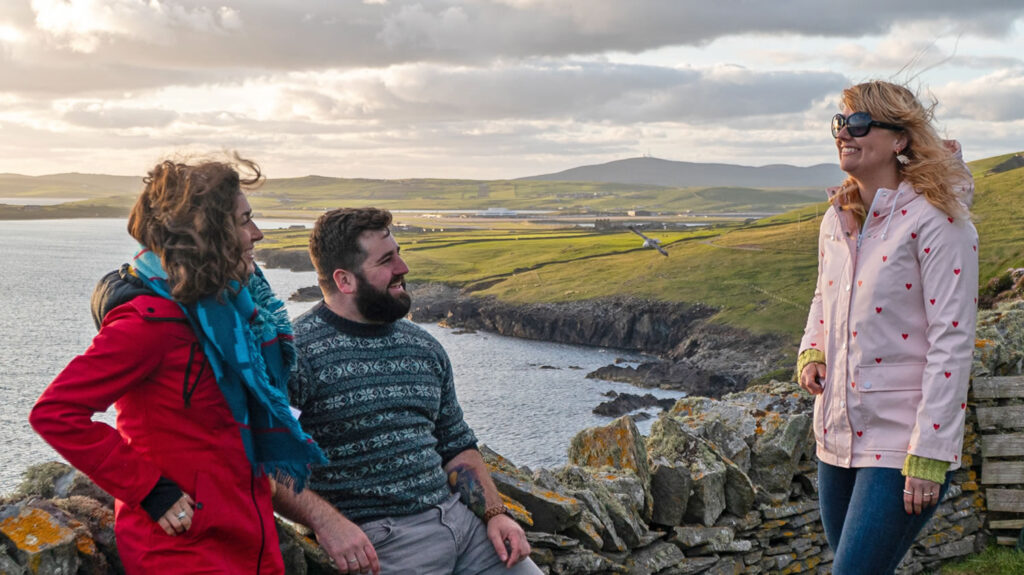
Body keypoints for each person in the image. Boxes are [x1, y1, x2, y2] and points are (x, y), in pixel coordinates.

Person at [30, 155, 326, 574]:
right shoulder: (147, 323)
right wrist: (150, 489)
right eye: (244, 221)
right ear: (205, 234)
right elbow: (55, 413)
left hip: (250, 544)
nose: (256, 234)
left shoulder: (228, 313)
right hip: (183, 553)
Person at [272, 207, 542, 575]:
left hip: (464, 528)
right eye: (387, 260)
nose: (403, 268)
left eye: (398, 253)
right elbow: (270, 464)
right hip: (381, 544)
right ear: (345, 280)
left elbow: (456, 444)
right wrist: (328, 524)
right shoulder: (294, 356)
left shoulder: (424, 347)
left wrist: (496, 514)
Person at [796, 81, 978, 574]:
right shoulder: (836, 218)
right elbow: (825, 296)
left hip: (903, 441)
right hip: (836, 432)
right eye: (840, 123)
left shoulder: (940, 221)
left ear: (899, 139)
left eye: (857, 123)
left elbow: (953, 341)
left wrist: (931, 452)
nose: (843, 134)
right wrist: (812, 349)